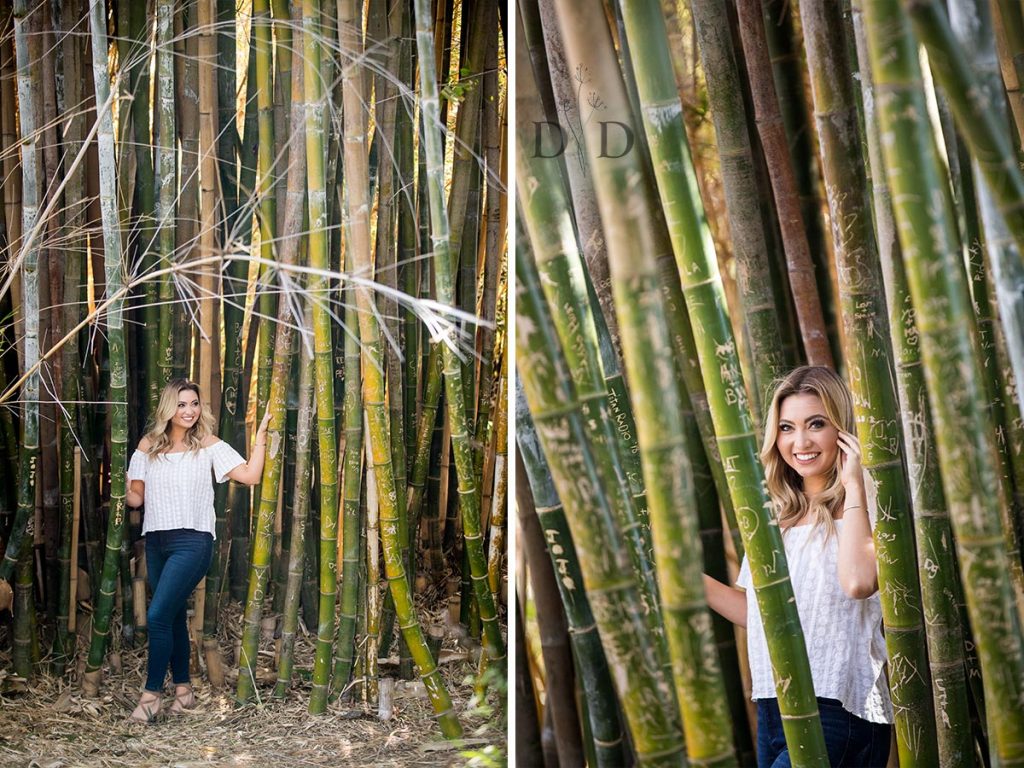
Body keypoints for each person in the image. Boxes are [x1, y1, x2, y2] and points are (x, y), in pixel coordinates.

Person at [703, 366, 893, 767]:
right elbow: (760, 614)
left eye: (816, 424)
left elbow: (858, 583)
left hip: (838, 707)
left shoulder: (870, 502)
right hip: (774, 706)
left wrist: (855, 485)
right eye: (787, 428)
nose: (800, 441)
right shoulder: (778, 517)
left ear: (840, 431)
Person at [125, 379, 270, 722]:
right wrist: (120, 477)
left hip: (193, 542)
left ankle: (150, 696)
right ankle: (184, 691)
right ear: (167, 409)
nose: (189, 411)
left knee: (157, 616)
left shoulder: (207, 444)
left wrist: (261, 438)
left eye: (194, 404)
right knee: (172, 617)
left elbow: (250, 475)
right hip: (157, 541)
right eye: (181, 404)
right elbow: (136, 499)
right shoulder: (149, 446)